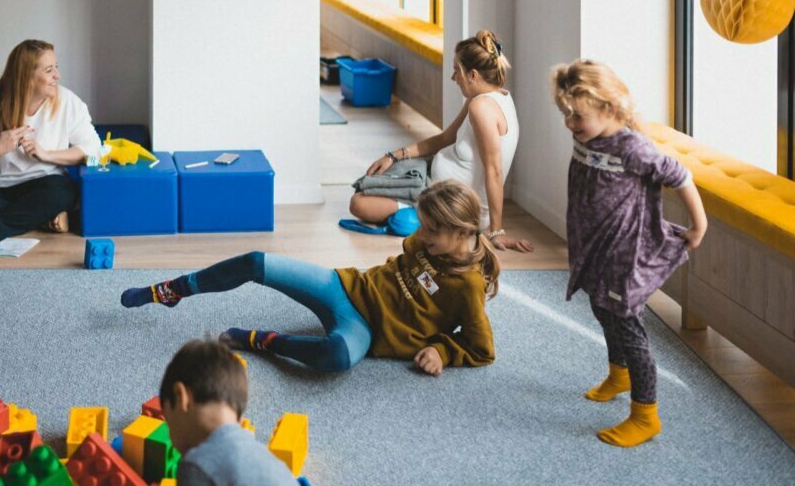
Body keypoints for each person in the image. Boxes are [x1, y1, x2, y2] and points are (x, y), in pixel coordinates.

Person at [122, 180, 498, 375]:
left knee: (334, 356)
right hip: (346, 287)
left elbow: (482, 349)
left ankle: (263, 341)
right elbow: (406, 260)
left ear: (460, 231)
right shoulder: (428, 241)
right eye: (424, 224)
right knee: (256, 261)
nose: (421, 233)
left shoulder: (468, 287)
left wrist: (442, 350)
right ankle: (173, 290)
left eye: (432, 228)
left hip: (365, 331)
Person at [552, 60, 708, 448]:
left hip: (625, 254)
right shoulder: (588, 135)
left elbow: (681, 176)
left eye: (578, 116)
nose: (570, 123)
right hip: (594, 246)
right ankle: (618, 373)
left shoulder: (632, 147)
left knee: (629, 329)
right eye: (566, 115)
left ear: (608, 107)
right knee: (601, 309)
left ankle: (645, 414)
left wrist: (698, 224)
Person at [349, 29, 533, 253]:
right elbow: (446, 138)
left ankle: (432, 219)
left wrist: (496, 231)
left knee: (358, 203)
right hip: (431, 176)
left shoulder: (481, 107)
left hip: (447, 200)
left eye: (457, 71)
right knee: (373, 179)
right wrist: (394, 155)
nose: (453, 78)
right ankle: (429, 220)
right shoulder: (491, 96)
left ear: (473, 75)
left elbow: (495, 171)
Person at [0, 39, 101, 241]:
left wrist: (47, 155)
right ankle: (40, 217)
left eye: (56, 67)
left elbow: (93, 151)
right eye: (49, 70)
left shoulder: (68, 102)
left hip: (43, 184)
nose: (58, 75)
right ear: (27, 76)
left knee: (63, 193)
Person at [159, 339, 297, 486]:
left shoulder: (198, 465)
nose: (172, 441)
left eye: (169, 424)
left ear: (182, 398)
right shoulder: (271, 462)